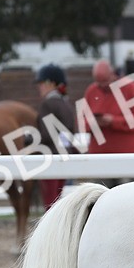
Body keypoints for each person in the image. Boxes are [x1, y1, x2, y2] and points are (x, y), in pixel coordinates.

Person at [83, 59, 134, 156]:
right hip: (99, 157)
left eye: (105, 81)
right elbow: (82, 123)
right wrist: (95, 123)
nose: (102, 86)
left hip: (129, 156)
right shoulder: (91, 91)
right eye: (99, 82)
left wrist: (113, 121)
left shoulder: (130, 88)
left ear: (113, 74)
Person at [33, 64, 77, 209]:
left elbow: (46, 135)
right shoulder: (65, 104)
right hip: (63, 157)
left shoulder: (47, 104)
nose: (39, 88)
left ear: (50, 84)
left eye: (41, 84)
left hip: (50, 158)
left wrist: (27, 139)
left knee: (50, 204)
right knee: (57, 202)